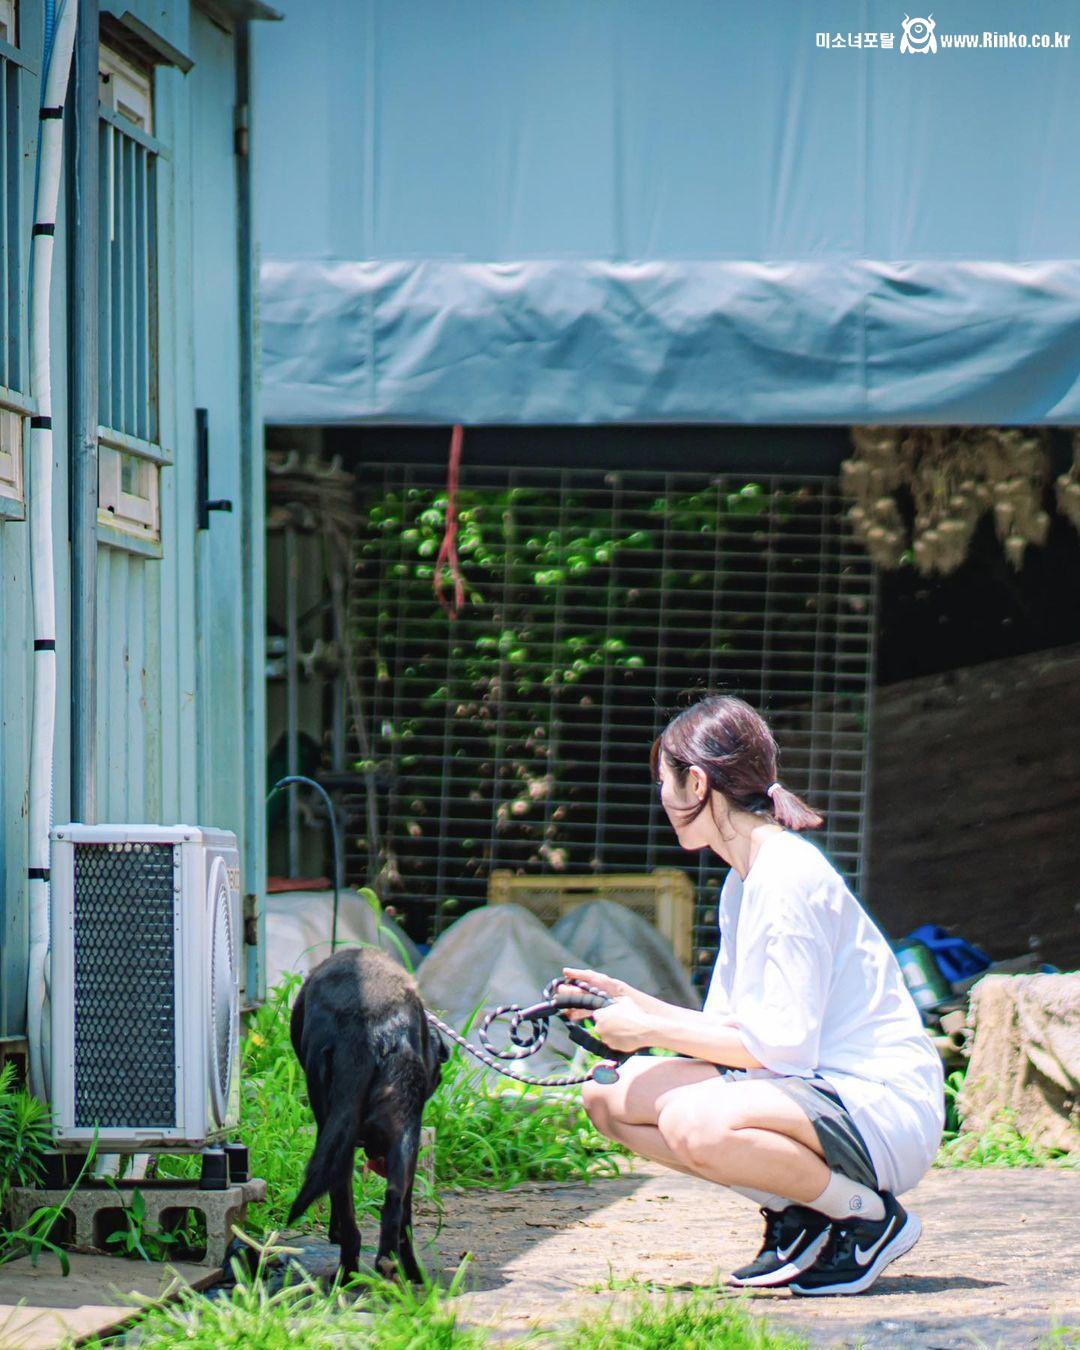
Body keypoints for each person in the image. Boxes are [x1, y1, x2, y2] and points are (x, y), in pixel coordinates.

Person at [560, 695, 944, 1296]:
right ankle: (804, 1213)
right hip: (812, 1094)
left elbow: (780, 1049)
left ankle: (865, 1217)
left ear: (697, 781)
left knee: (697, 1119)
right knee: (609, 1096)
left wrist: (648, 1030)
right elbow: (732, 1033)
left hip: (875, 1106)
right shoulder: (744, 882)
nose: (661, 797)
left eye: (663, 781)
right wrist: (626, 1003)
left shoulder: (787, 878)